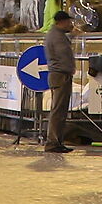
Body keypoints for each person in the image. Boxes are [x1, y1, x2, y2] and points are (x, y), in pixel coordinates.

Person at [43, 8, 77, 153]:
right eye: (69, 21)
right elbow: (63, 55)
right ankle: (53, 142)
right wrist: (70, 70)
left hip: (59, 75)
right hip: (60, 75)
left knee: (59, 110)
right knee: (58, 110)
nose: (71, 24)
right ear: (61, 22)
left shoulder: (56, 34)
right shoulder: (57, 37)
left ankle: (56, 141)